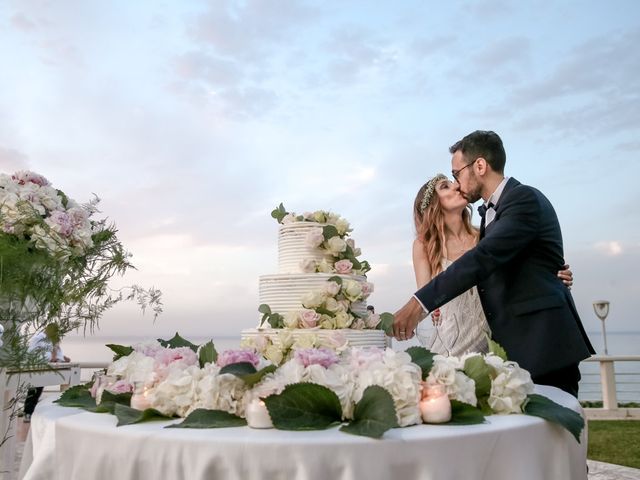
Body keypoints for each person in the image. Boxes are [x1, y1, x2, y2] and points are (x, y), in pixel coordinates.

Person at [394, 130, 594, 397]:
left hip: (543, 345)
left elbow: (485, 257)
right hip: (506, 349)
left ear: (479, 166)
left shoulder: (521, 199)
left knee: (555, 434)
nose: (456, 183)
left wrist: (417, 304)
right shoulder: (492, 215)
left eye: (456, 174)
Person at [411, 174, 575, 356]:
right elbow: (424, 301)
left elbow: (522, 273)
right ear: (433, 204)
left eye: (453, 182)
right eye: (445, 186)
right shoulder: (424, 246)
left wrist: (553, 276)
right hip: (450, 347)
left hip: (495, 347)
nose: (456, 186)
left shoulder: (486, 236)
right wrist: (378, 323)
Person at [23, 323, 70, 422]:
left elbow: (56, 355)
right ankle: (27, 413)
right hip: (37, 368)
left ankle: (30, 412)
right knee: (34, 390)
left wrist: (63, 358)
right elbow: (31, 352)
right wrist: (51, 358)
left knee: (38, 390)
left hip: (47, 368)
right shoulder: (39, 338)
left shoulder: (53, 340)